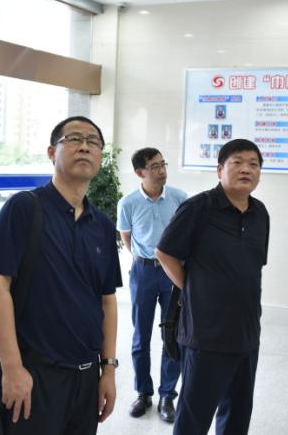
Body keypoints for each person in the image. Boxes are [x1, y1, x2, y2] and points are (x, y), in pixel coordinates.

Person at [0, 116, 123, 435]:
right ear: (51, 152)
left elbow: (107, 300)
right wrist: (12, 368)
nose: (85, 146)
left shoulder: (102, 225)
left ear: (100, 156)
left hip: (86, 377)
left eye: (93, 142)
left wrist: (108, 370)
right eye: (74, 139)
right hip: (34, 374)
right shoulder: (24, 208)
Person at [156, 139, 270, 435]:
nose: (246, 169)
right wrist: (194, 288)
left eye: (254, 164)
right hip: (205, 334)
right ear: (220, 170)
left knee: (237, 416)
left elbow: (253, 268)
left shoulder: (260, 213)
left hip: (246, 333)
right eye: (237, 162)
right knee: (194, 419)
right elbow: (165, 253)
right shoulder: (198, 208)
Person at [117, 147, 187, 423]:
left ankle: (167, 395)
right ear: (140, 172)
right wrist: (142, 260)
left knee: (173, 335)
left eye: (163, 164)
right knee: (140, 336)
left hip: (173, 272)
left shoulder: (180, 198)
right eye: (155, 166)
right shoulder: (128, 203)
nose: (162, 170)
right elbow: (126, 236)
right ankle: (143, 393)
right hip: (143, 272)